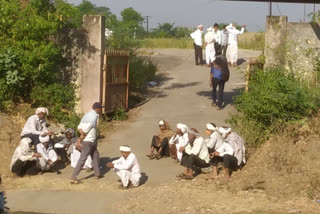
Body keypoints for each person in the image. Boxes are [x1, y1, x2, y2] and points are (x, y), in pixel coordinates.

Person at [71, 102, 102, 184]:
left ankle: (97, 174)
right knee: (83, 159)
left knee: (95, 155)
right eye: (100, 109)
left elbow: (79, 126)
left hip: (91, 140)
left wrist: (81, 132)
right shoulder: (94, 115)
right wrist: (82, 135)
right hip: (89, 140)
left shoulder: (87, 114)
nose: (101, 110)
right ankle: (74, 176)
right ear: (97, 108)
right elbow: (89, 127)